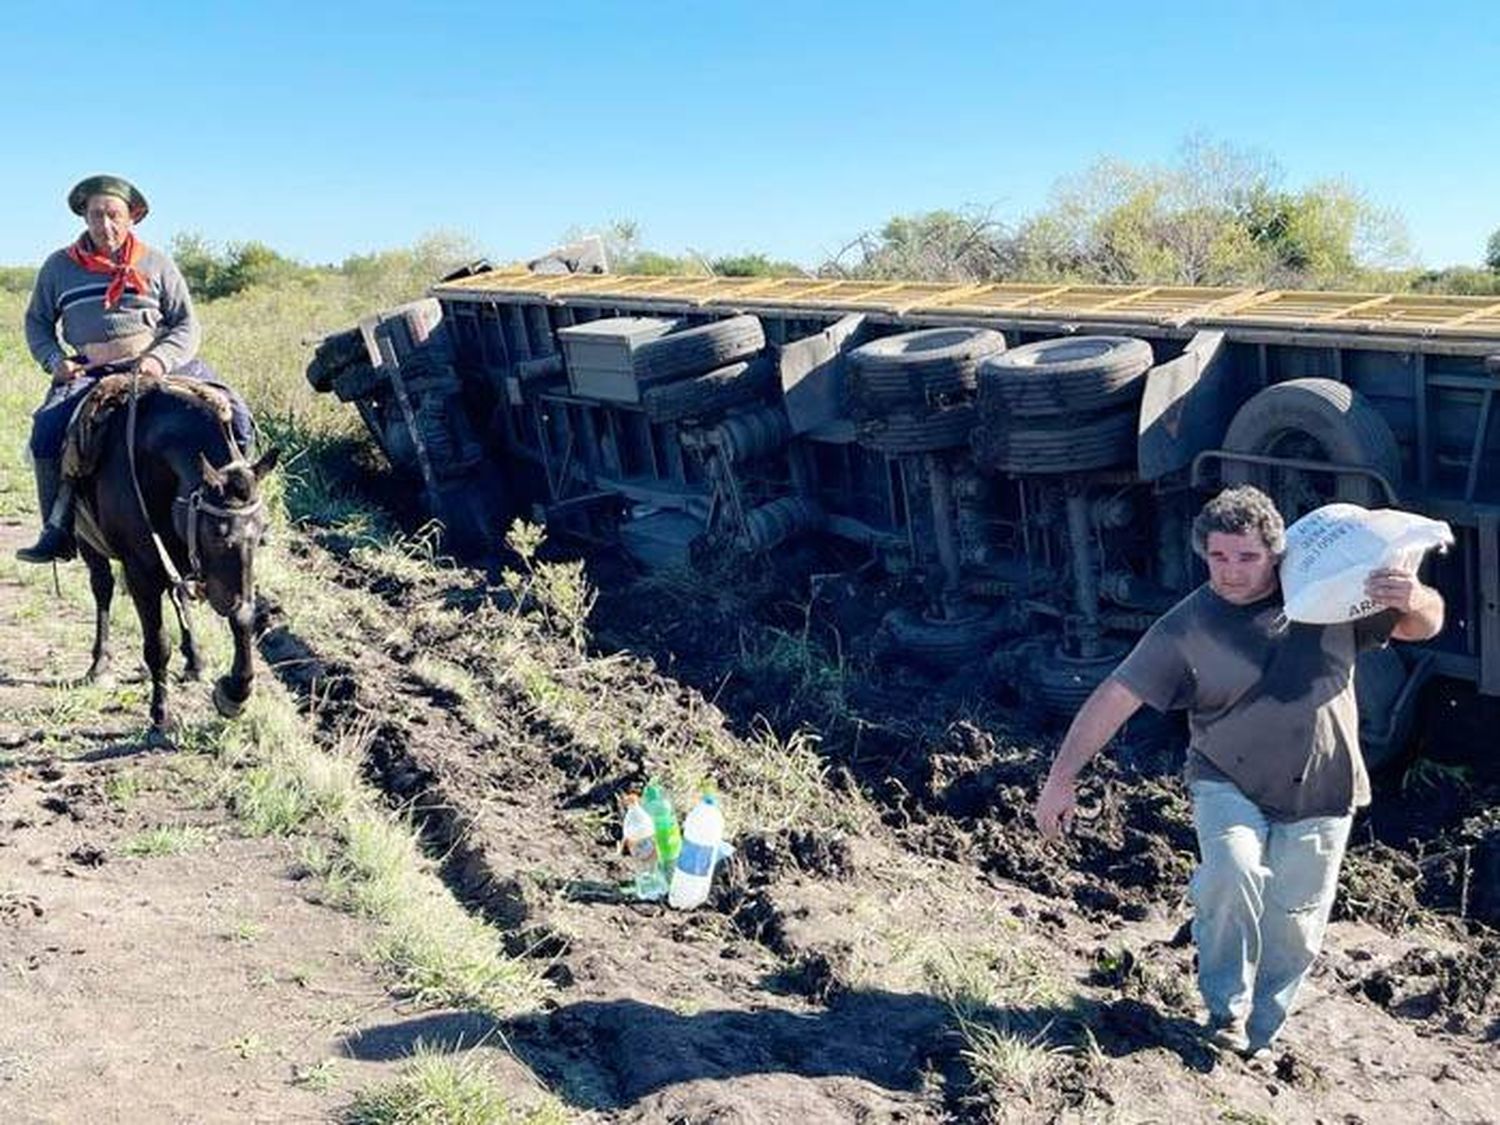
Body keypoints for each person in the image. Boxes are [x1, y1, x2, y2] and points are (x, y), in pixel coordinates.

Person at [1033, 485, 1444, 1057]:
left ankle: (1263, 1037)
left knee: (1295, 925)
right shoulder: (1187, 625)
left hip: (1324, 784)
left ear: (1275, 553)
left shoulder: (1322, 589)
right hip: (1226, 776)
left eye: (1246, 557)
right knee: (1232, 872)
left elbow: (1422, 625)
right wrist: (1061, 778)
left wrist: (1414, 595)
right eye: (1218, 557)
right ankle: (1223, 1012)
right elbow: (1115, 695)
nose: (1230, 572)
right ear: (1205, 553)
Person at [19, 174, 255, 563]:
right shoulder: (59, 267)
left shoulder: (156, 262)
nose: (105, 225)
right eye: (96, 215)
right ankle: (57, 529)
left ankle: (239, 509)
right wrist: (54, 360)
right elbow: (37, 322)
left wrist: (158, 359)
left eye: (114, 215)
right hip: (90, 370)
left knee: (236, 414)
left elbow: (184, 323)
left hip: (155, 364)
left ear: (132, 217)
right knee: (46, 430)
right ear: (85, 218)